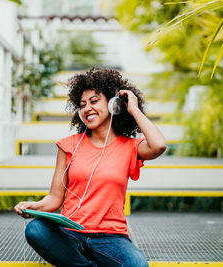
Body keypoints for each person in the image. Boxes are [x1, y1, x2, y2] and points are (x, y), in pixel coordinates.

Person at [14, 67, 167, 267]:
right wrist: (35, 207)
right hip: (69, 233)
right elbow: (55, 199)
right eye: (82, 104)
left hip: (110, 237)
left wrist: (134, 109)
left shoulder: (130, 147)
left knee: (137, 264)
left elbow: (159, 145)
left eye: (94, 101)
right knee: (35, 229)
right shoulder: (68, 145)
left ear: (114, 106)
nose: (87, 108)